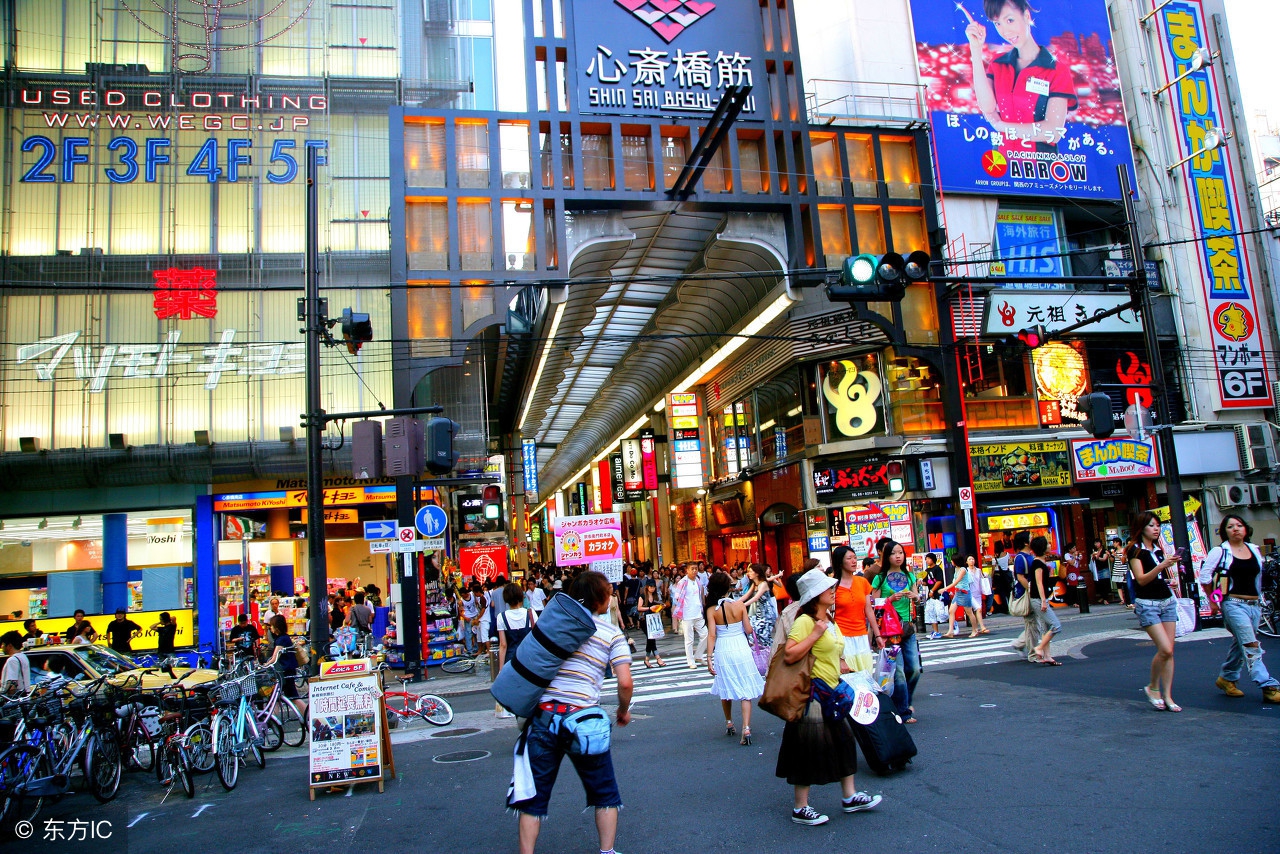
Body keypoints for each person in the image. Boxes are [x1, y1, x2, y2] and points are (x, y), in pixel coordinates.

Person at [508, 571, 631, 854]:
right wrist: (623, 710)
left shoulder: (552, 625)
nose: (611, 595)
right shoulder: (611, 634)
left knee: (532, 798)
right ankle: (607, 851)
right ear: (599, 599)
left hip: (544, 716)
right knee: (604, 792)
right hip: (583, 719)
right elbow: (625, 682)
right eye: (608, 591)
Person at [776, 568, 882, 826]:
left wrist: (842, 662)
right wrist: (814, 635)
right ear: (815, 595)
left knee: (844, 740)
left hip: (832, 690)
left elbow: (834, 649)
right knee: (807, 747)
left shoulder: (829, 619)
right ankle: (800, 807)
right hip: (811, 692)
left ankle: (850, 796)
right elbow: (789, 654)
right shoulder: (805, 621)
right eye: (827, 588)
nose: (833, 591)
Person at [964, 0, 1076, 150]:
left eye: (1010, 20)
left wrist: (1002, 126)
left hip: (1040, 161)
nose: (1005, 31)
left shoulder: (1057, 70)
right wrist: (976, 49)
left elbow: (1053, 131)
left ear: (1027, 16)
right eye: (997, 23)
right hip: (1002, 159)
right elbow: (987, 107)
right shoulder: (998, 64)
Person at [1201, 515, 1280, 703]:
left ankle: (1227, 678)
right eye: (1230, 526)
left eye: (1239, 525)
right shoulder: (1220, 551)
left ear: (1245, 529)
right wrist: (1214, 602)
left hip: (1254, 605)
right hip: (1233, 604)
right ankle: (1267, 685)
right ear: (1224, 531)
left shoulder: (1253, 549)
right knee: (1251, 645)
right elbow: (1205, 577)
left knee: (1242, 642)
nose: (1235, 529)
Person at [1127, 511, 1182, 711]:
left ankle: (1167, 695)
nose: (1156, 529)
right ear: (1141, 528)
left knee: (1169, 651)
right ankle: (1153, 687)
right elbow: (1141, 579)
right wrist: (1162, 566)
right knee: (1165, 649)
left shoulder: (1158, 549)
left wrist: (1169, 580)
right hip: (1147, 604)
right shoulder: (1135, 550)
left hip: (1167, 601)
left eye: (1158, 525)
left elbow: (1158, 578)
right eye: (1151, 525)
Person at [704, 571, 765, 744]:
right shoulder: (739, 605)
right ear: (727, 588)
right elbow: (748, 629)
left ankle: (729, 722)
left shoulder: (712, 609)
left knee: (726, 686)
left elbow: (712, 635)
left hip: (724, 648)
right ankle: (746, 727)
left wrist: (709, 658)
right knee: (745, 689)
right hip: (741, 647)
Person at [871, 540, 922, 720]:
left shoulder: (909, 576)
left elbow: (918, 599)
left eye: (900, 552)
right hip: (890, 630)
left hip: (907, 627)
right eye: (893, 553)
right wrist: (890, 599)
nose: (898, 556)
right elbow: (874, 605)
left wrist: (915, 597)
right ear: (887, 557)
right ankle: (903, 711)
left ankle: (905, 700)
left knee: (914, 669)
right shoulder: (880, 578)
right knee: (898, 671)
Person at [831, 546, 880, 677]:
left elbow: (868, 609)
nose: (854, 561)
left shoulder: (862, 582)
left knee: (866, 675)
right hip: (842, 638)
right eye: (849, 558)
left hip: (862, 636)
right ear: (840, 562)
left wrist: (877, 635)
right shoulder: (832, 586)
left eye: (855, 558)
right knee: (849, 677)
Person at [1010, 531, 1042, 662]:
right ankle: (1032, 653)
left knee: (1032, 623)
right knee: (1033, 623)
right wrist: (1030, 589)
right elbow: (1020, 577)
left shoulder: (1030, 556)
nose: (1032, 538)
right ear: (1025, 542)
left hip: (1031, 592)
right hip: (1027, 594)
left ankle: (1019, 644)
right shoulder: (1020, 558)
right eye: (1030, 537)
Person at [672, 563, 708, 668]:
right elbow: (677, 597)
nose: (694, 571)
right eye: (692, 569)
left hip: (698, 613)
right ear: (687, 570)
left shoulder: (698, 581)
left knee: (705, 634)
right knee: (689, 640)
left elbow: (701, 595)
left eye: (696, 569)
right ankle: (690, 661)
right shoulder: (683, 582)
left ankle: (698, 655)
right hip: (687, 614)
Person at [944, 556, 989, 638]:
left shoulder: (963, 570)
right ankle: (950, 631)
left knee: (969, 613)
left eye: (952, 561)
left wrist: (945, 589)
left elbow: (957, 581)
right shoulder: (956, 569)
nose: (951, 562)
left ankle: (975, 630)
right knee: (951, 611)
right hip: (958, 592)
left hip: (964, 593)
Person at [740, 563, 778, 648]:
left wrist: (742, 605)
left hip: (766, 613)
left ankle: (768, 652)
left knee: (764, 636)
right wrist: (735, 603)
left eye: (750, 571)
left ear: (757, 573)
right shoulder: (754, 584)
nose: (748, 574)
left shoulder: (763, 584)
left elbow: (756, 597)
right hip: (757, 612)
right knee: (753, 634)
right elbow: (746, 595)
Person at [635, 582, 667, 668]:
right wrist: (649, 608)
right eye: (651, 587)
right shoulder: (642, 596)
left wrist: (661, 607)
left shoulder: (655, 596)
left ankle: (647, 659)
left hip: (653, 620)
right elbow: (639, 608)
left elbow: (657, 608)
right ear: (647, 587)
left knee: (651, 639)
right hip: (644, 620)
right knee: (651, 638)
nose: (652, 589)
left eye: (653, 587)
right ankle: (658, 658)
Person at [1, 631, 31, 696]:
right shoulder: (23, 656)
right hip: (24, 695)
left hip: (16, 697)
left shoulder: (12, 660)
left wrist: (9, 700)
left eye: (3, 644)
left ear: (9, 646)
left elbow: (12, 686)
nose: (1, 647)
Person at [459, 582, 484, 656]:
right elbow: (460, 612)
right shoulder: (461, 601)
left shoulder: (472, 595)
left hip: (475, 616)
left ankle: (476, 648)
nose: (463, 596)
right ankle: (470, 650)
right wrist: (465, 617)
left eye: (463, 594)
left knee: (476, 633)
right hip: (468, 617)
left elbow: (476, 603)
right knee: (468, 634)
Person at [1111, 537, 1131, 607]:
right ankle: (1122, 599)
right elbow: (1112, 560)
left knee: (1125, 585)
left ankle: (1128, 600)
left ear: (1118, 543)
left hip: (1123, 569)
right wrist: (1110, 555)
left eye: (1114, 542)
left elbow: (1123, 561)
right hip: (1116, 569)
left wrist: (1116, 555)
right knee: (1118, 585)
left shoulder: (1123, 550)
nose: (1113, 544)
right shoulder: (1115, 550)